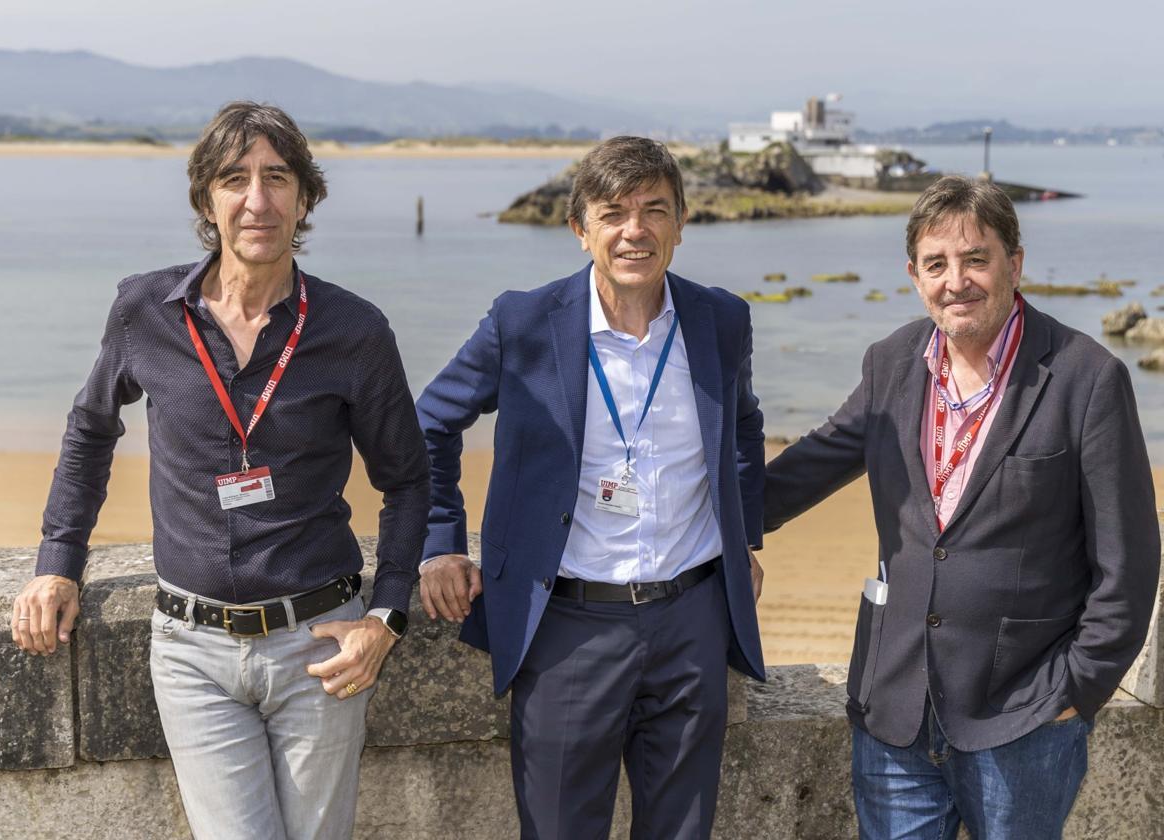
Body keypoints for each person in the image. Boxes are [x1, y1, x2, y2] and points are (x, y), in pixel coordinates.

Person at [9, 101, 430, 840]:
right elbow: (89, 431)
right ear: (207, 196)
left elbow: (408, 478)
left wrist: (386, 616)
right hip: (192, 652)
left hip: (321, 645)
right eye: (235, 179)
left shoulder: (354, 331)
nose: (257, 200)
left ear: (305, 196)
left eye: (277, 177)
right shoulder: (145, 310)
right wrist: (58, 561)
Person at [762, 175, 1160, 839]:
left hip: (1023, 718)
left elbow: (1128, 560)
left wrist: (1077, 690)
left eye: (976, 258)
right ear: (914, 275)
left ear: (1015, 262)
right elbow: (805, 470)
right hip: (894, 712)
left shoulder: (1085, 378)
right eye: (936, 264)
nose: (957, 280)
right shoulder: (890, 362)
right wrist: (697, 520)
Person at [416, 135, 767, 839]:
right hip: (568, 629)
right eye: (613, 214)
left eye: (654, 210)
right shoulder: (524, 323)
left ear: (680, 224)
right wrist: (439, 543)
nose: (634, 230)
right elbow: (426, 425)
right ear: (581, 230)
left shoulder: (721, 319)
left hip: (693, 619)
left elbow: (744, 429)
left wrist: (746, 540)